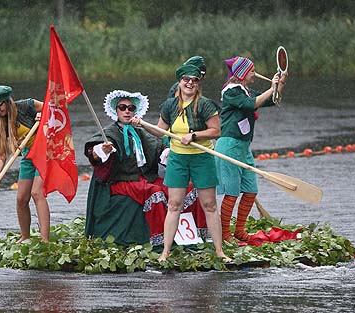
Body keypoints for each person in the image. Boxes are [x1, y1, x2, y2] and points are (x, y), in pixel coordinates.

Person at [84, 90, 208, 247]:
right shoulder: (109, 133)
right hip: (122, 180)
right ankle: (160, 242)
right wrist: (102, 150)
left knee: (188, 187)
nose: (127, 111)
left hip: (145, 177)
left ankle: (197, 236)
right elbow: (93, 154)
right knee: (154, 193)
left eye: (131, 108)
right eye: (122, 107)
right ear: (116, 110)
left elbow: (159, 148)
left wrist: (171, 152)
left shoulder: (140, 131)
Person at [135, 65, 230, 262]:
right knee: (174, 204)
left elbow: (216, 131)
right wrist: (143, 125)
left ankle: (220, 251)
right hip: (178, 159)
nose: (190, 83)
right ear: (180, 82)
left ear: (198, 84)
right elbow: (160, 132)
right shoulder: (170, 106)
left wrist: (194, 136)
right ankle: (165, 252)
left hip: (201, 158)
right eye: (186, 79)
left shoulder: (205, 105)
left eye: (194, 80)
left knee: (209, 204)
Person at [216, 56, 287, 242]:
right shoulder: (231, 92)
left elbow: (271, 100)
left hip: (243, 147)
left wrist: (279, 86)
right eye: (252, 71)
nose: (255, 74)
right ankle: (225, 235)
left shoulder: (245, 90)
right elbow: (252, 104)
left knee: (250, 190)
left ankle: (239, 231)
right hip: (229, 145)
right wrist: (271, 87)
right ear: (241, 73)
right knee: (231, 193)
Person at [0, 85, 50, 243]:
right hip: (29, 155)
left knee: (37, 193)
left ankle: (45, 240)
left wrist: (43, 117)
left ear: (7, 102)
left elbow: (52, 109)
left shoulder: (27, 105)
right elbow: (1, 154)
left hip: (46, 151)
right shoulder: (0, 122)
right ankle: (25, 236)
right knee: (21, 198)